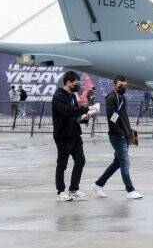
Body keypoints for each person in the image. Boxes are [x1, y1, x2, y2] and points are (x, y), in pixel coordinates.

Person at [52, 71, 99, 201]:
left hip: (75, 134)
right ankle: (61, 192)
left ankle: (74, 189)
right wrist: (86, 108)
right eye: (76, 84)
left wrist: (85, 117)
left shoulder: (73, 96)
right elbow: (67, 112)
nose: (78, 86)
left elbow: (75, 115)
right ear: (68, 82)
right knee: (62, 164)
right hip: (63, 135)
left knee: (80, 160)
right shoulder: (59, 96)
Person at [93, 76, 143, 199]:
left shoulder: (122, 98)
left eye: (125, 85)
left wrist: (130, 133)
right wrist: (120, 133)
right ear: (114, 85)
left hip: (125, 135)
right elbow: (112, 118)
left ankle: (98, 184)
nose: (123, 87)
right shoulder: (112, 98)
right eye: (120, 85)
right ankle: (130, 190)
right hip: (117, 136)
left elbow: (123, 116)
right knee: (125, 162)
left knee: (117, 163)